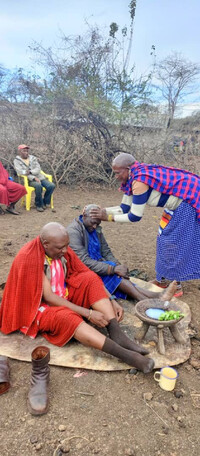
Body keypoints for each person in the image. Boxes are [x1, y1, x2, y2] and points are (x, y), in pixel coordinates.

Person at [0, 222, 156, 374]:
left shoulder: (61, 247)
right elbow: (48, 297)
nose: (65, 250)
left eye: (67, 245)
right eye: (61, 248)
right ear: (45, 244)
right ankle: (126, 355)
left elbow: (86, 272)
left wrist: (111, 299)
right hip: (40, 307)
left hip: (63, 294)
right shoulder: (29, 257)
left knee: (89, 279)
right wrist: (88, 313)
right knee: (68, 318)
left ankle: (116, 333)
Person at [89, 153, 200, 296]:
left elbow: (135, 216)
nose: (116, 176)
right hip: (178, 204)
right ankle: (164, 279)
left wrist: (106, 217)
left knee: (171, 242)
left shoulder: (139, 181)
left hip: (189, 203)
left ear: (128, 168)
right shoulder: (132, 178)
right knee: (164, 237)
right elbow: (124, 208)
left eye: (118, 173)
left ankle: (174, 284)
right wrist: (103, 211)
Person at [67, 204, 177, 302]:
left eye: (97, 223)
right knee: (113, 272)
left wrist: (119, 266)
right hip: (81, 272)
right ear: (84, 216)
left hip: (95, 265)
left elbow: (106, 251)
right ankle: (144, 299)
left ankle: (156, 295)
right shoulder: (74, 232)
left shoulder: (94, 228)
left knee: (116, 270)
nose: (95, 226)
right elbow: (84, 262)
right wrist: (113, 269)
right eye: (93, 223)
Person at [13, 145, 55, 212]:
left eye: (27, 151)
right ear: (19, 152)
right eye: (24, 151)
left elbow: (38, 169)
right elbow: (20, 171)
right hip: (29, 180)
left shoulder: (33, 158)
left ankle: (44, 202)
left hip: (40, 177)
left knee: (51, 186)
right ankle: (39, 204)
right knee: (38, 186)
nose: (26, 152)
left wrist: (30, 171)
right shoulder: (17, 161)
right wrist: (33, 177)